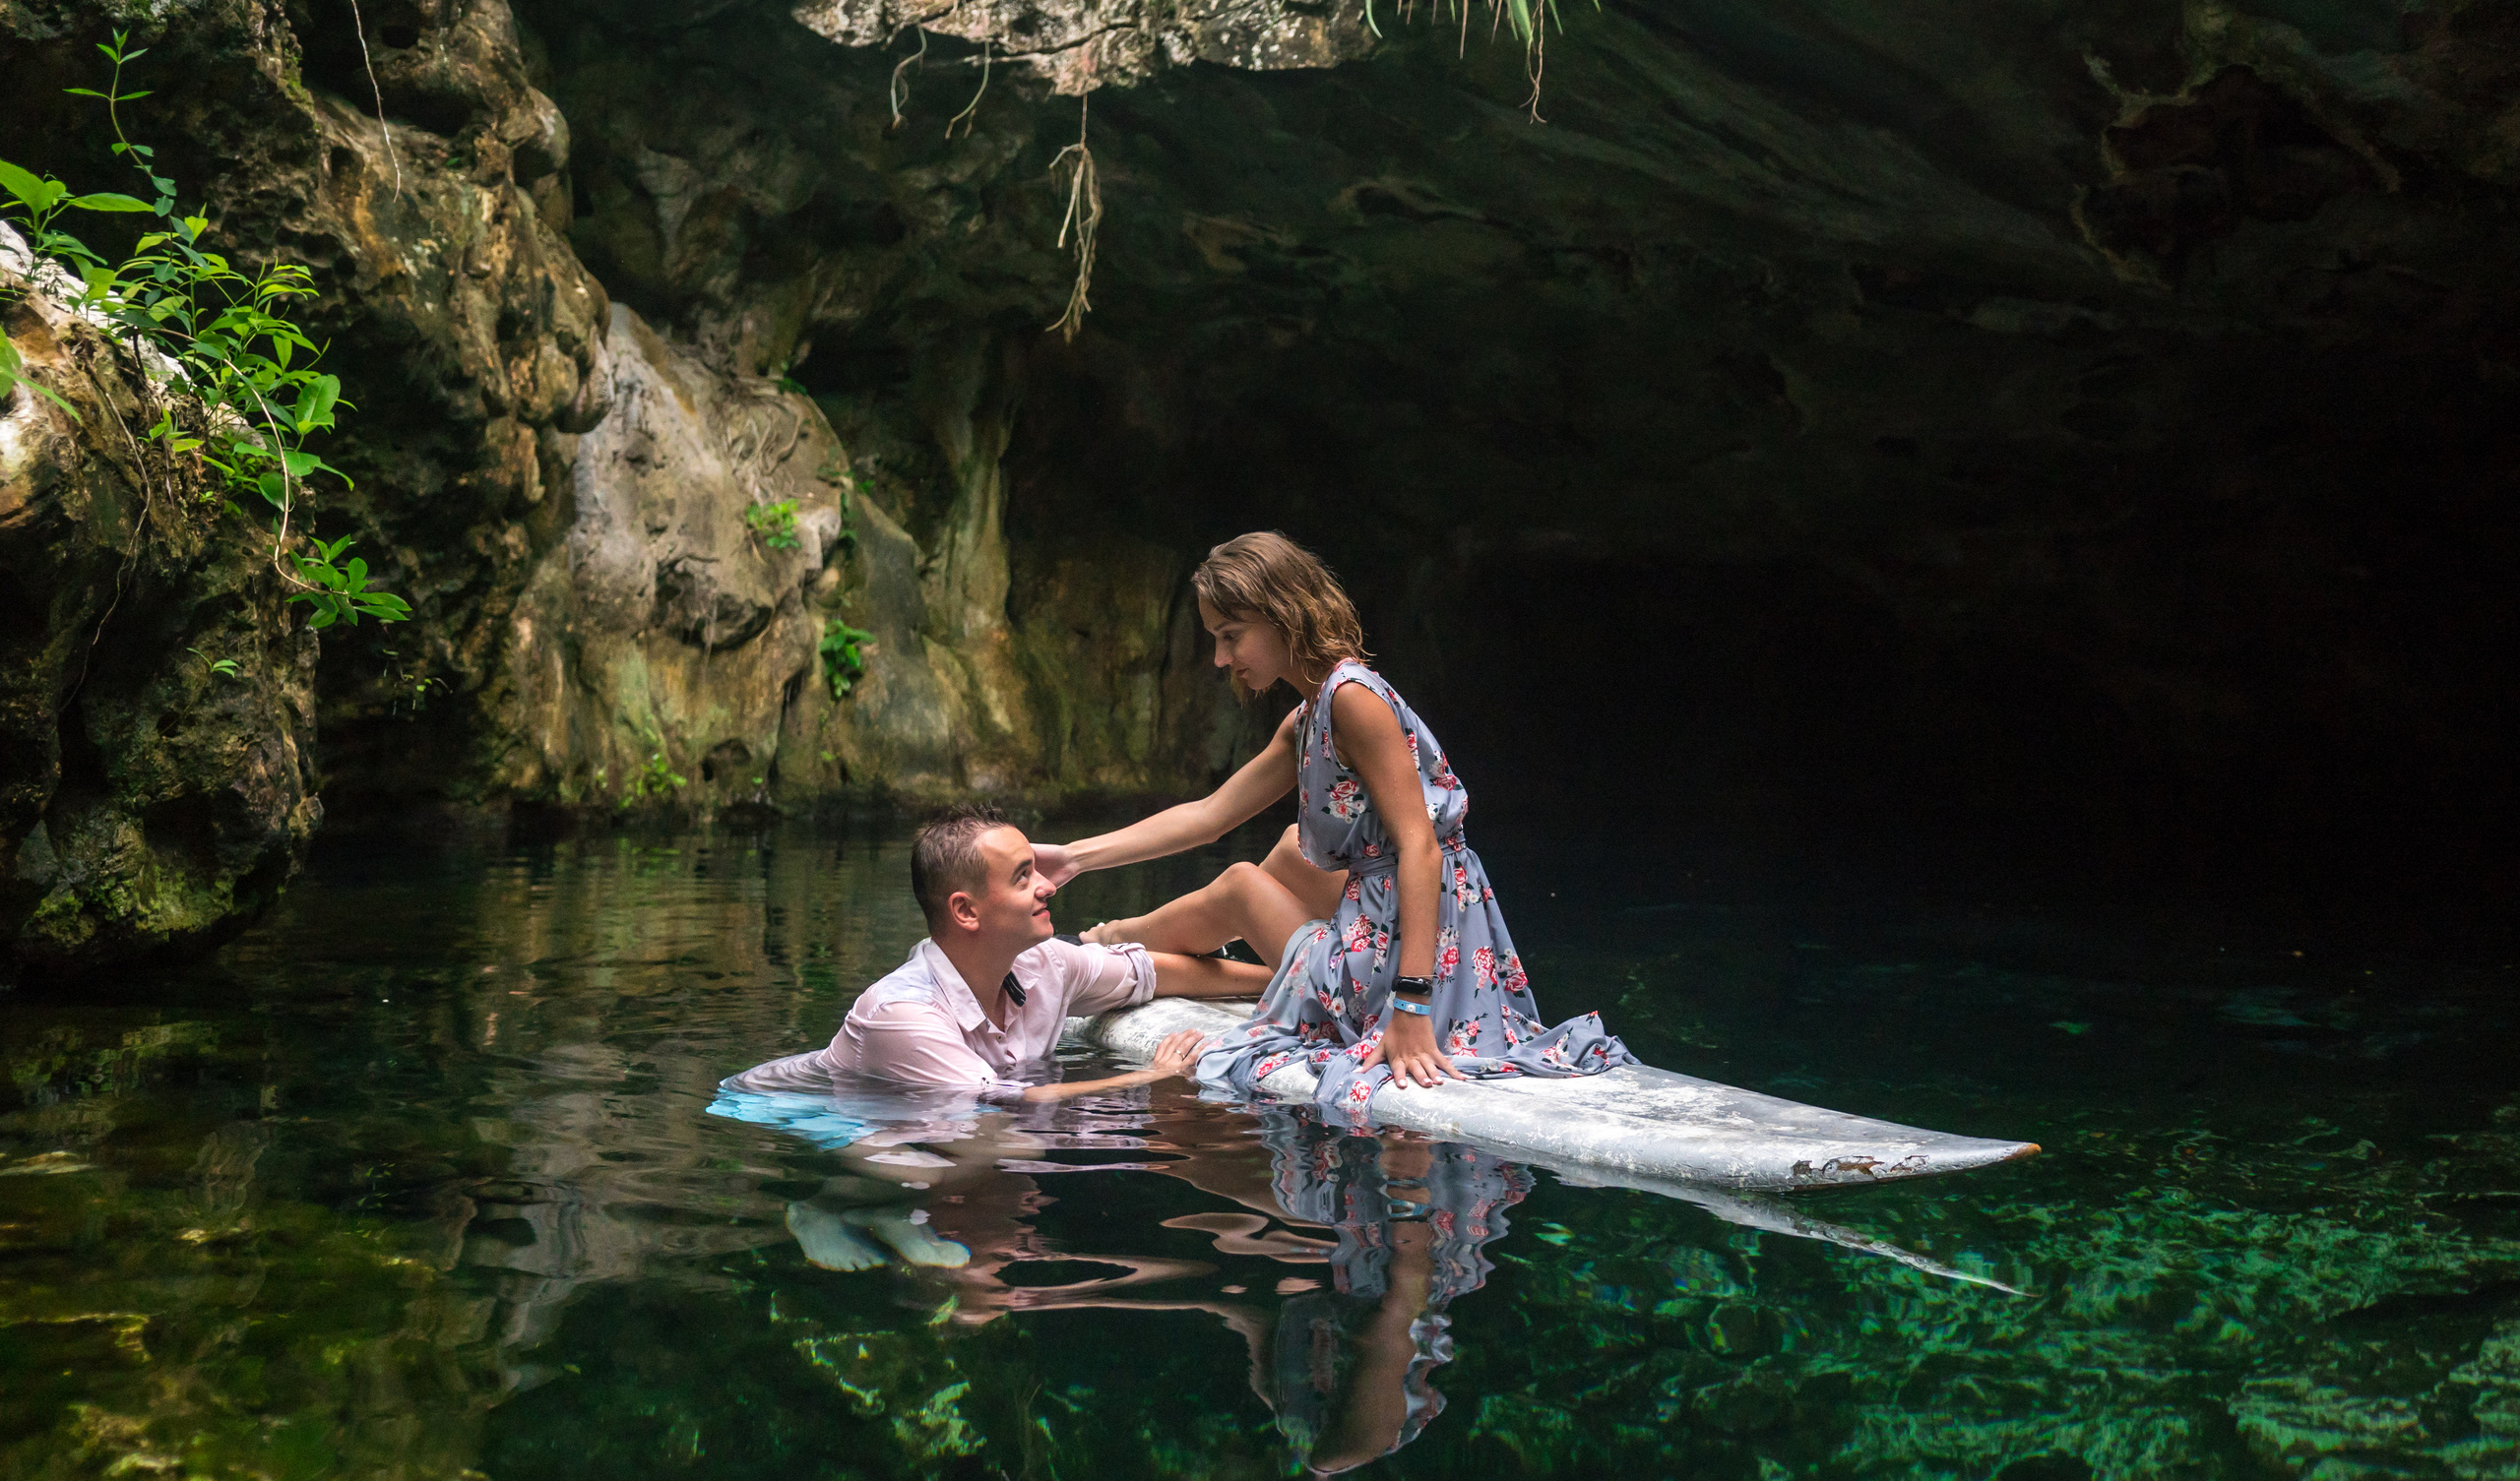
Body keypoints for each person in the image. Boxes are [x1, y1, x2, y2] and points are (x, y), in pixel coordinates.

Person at [1033, 530, 1630, 1121]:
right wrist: (1074, 857)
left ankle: (1102, 946)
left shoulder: (1351, 698)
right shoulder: (1310, 713)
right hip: (1392, 920)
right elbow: (1208, 816)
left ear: (1283, 615)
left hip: (1418, 953)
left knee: (1243, 884)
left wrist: (1412, 1008)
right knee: (1295, 848)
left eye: (1230, 636)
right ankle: (1118, 944)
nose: (1221, 659)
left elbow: (1419, 847)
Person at [722, 805, 1268, 1104]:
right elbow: (1005, 1108)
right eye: (1023, 877)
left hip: (929, 1108)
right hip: (800, 1112)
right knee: (979, 1154)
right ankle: (840, 1211)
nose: (1048, 887)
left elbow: (1152, 973)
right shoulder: (903, 1017)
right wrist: (1153, 1076)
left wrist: (1280, 982)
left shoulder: (1044, 962)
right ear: (966, 912)